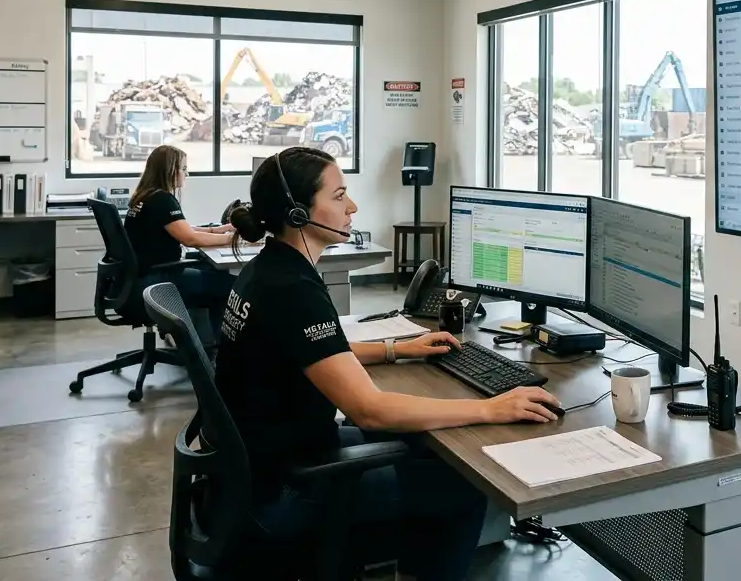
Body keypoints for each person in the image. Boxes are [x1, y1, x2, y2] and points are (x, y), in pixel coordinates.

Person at [219, 148, 560, 581]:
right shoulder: (293, 289)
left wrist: (399, 349)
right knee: (464, 484)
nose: (353, 207)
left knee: (426, 444)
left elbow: (313, 353)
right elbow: (369, 409)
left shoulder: (268, 271)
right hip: (289, 487)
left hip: (262, 463)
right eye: (340, 196)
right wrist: (491, 408)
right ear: (299, 213)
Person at [125, 145, 235, 347]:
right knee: (230, 288)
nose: (186, 173)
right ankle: (222, 353)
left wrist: (217, 230)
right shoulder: (162, 200)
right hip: (158, 279)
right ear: (170, 170)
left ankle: (202, 342)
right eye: (183, 168)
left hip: (142, 277)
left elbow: (181, 228)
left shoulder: (145, 196)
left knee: (209, 268)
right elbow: (190, 239)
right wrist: (233, 239)